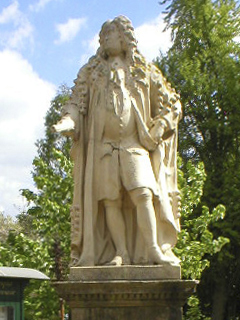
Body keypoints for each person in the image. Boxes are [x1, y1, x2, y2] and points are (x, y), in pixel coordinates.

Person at [53, 15, 182, 266]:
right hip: (104, 149)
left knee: (143, 194)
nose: (105, 39)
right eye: (103, 36)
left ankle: (154, 250)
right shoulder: (90, 72)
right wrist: (70, 120)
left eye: (111, 34)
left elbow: (171, 103)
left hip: (135, 145)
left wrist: (163, 125)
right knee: (111, 200)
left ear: (125, 38)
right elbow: (76, 102)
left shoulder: (144, 69)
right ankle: (120, 252)